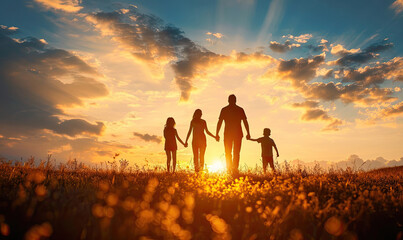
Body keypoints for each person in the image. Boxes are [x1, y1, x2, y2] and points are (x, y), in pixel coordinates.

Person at [216, 94, 250, 174]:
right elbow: (220, 122)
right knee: (233, 152)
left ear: (229, 100)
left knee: (232, 152)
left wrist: (217, 134)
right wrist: (217, 133)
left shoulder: (229, 109)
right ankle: (231, 169)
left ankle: (232, 169)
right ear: (235, 100)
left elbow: (245, 121)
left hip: (234, 134)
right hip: (231, 134)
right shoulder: (237, 109)